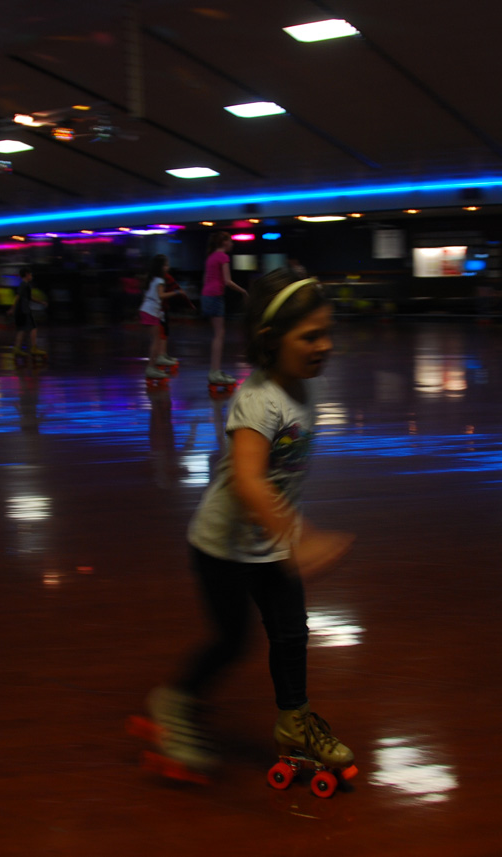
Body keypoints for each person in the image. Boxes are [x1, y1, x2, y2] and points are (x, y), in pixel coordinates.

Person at [141, 268, 355, 776]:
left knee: (290, 635)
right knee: (232, 640)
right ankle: (174, 701)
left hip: (269, 543)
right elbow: (248, 481)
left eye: (327, 333)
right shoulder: (258, 401)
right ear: (269, 340)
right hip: (223, 549)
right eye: (310, 336)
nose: (324, 345)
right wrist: (296, 538)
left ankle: (294, 723)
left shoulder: (303, 388)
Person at [201, 232, 248, 388]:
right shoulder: (223, 257)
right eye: (230, 241)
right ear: (224, 243)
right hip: (215, 296)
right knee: (219, 334)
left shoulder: (211, 256)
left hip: (207, 295)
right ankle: (214, 371)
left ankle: (215, 370)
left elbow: (206, 279)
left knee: (217, 334)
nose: (232, 244)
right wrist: (243, 291)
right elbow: (227, 281)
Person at [140, 254, 192, 381]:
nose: (168, 267)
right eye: (166, 265)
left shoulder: (152, 279)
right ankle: (151, 368)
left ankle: (152, 367)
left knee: (156, 340)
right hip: (151, 311)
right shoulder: (160, 280)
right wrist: (177, 292)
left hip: (148, 310)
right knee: (156, 341)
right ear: (161, 267)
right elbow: (161, 295)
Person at [10, 267, 46, 357]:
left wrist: (41, 302)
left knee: (22, 329)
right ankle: (34, 348)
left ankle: (17, 349)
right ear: (27, 274)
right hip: (23, 310)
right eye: (31, 274)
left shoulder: (25, 285)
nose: (32, 276)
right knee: (33, 328)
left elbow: (30, 298)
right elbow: (18, 297)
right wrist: (12, 308)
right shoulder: (24, 285)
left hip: (22, 309)